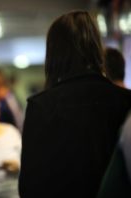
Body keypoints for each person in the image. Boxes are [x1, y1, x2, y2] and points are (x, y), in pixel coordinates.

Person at [18, 10, 131, 198]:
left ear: (54, 52)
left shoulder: (41, 106)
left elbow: (30, 184)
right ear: (96, 47)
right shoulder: (125, 101)